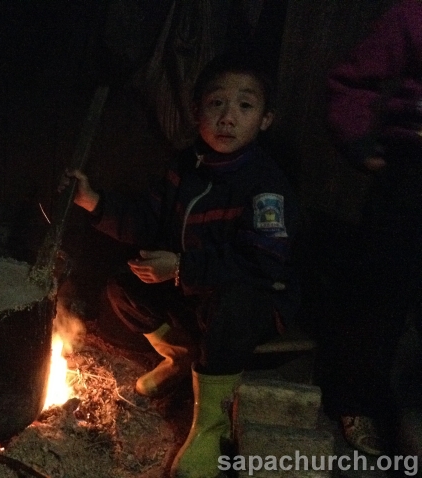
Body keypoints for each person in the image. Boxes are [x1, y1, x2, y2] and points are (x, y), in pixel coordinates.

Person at [59, 53, 300, 478]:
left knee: (234, 304)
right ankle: (182, 357)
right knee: (123, 284)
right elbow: (147, 220)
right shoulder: (184, 169)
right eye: (216, 104)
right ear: (196, 113)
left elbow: (264, 262)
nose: (228, 117)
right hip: (194, 290)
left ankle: (210, 427)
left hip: (253, 304)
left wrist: (182, 267)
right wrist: (93, 201)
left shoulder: (265, 185)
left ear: (265, 120)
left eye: (245, 106)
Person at [326, 0, 422, 457]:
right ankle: (356, 401)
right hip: (411, 170)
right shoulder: (413, 15)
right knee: (380, 291)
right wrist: (357, 139)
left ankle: (412, 409)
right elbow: (353, 80)